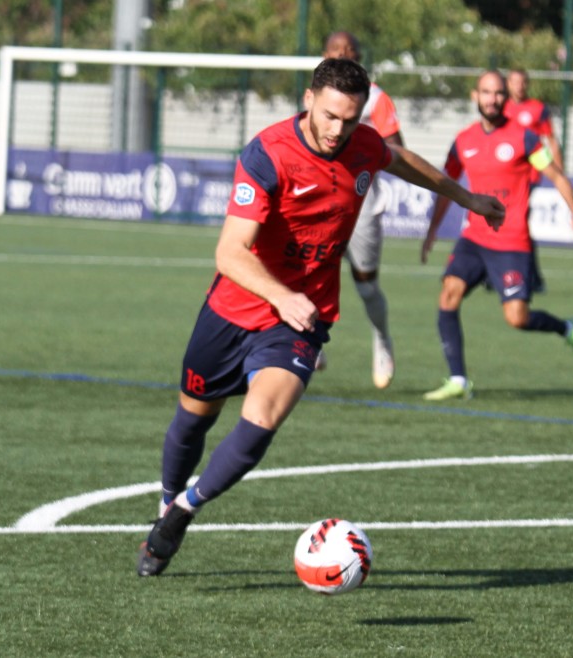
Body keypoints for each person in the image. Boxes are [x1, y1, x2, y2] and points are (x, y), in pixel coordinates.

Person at [136, 58, 504, 577]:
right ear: (309, 99)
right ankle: (166, 501)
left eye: (350, 120)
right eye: (330, 116)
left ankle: (184, 510)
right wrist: (280, 294)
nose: (338, 130)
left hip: (303, 317)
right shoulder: (267, 154)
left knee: (262, 418)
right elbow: (230, 253)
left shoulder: (363, 143)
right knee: (193, 418)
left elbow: (400, 160)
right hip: (232, 309)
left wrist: (466, 197)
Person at [419, 70, 573, 401]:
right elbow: (445, 186)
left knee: (517, 318)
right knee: (448, 294)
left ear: (505, 98)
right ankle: (458, 379)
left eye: (498, 93)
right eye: (486, 92)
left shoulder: (525, 138)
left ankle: (566, 328)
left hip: (512, 242)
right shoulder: (463, 141)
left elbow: (556, 175)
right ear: (476, 96)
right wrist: (432, 231)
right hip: (474, 238)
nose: (492, 99)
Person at [315, 31, 405, 388]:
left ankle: (382, 339)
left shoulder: (376, 99)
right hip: (319, 197)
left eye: (350, 52)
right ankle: (310, 340)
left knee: (366, 285)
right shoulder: (316, 95)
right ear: (324, 55)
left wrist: (364, 151)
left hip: (361, 199)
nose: (343, 56)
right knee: (310, 268)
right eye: (336, 52)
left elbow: (397, 149)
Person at [504, 68, 561, 293]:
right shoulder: (501, 107)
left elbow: (551, 142)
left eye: (522, 82)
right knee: (503, 224)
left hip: (529, 175)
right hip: (503, 174)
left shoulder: (538, 109)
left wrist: (559, 175)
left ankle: (532, 277)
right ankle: (500, 274)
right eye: (514, 82)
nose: (518, 86)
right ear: (508, 84)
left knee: (518, 223)